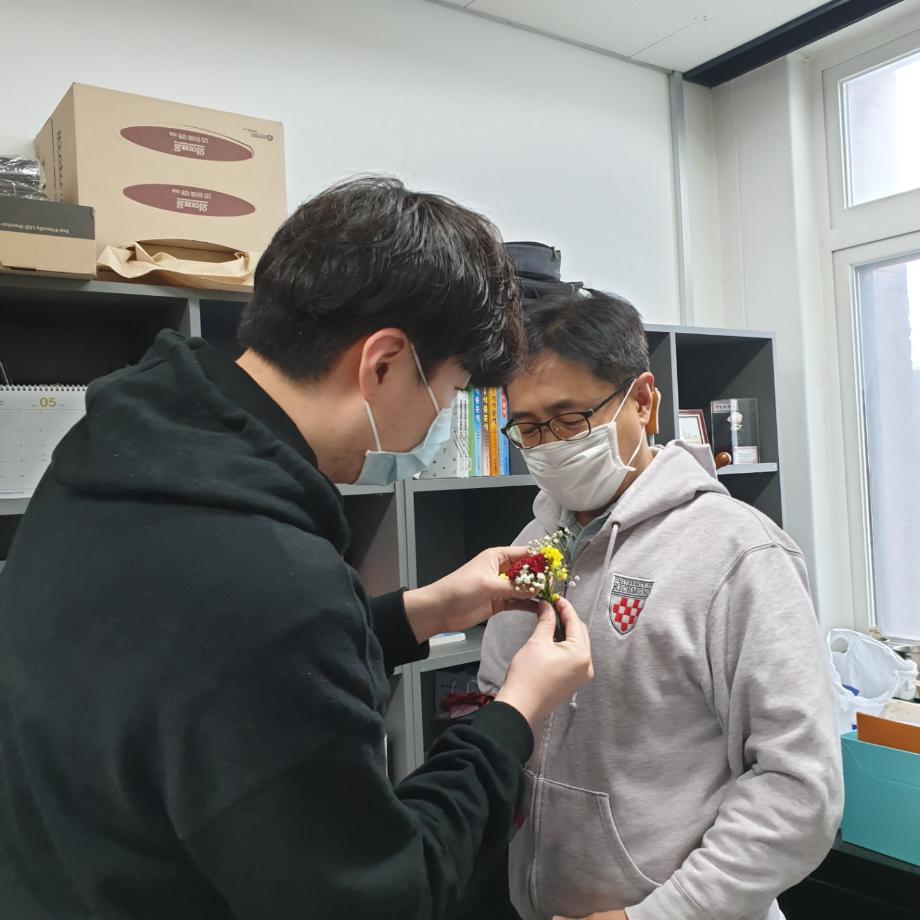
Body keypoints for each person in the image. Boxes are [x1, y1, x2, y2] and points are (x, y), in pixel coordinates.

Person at [0, 177, 594, 920]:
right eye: (448, 394)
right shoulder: (272, 580)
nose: (439, 422)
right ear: (383, 363)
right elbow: (386, 894)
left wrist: (425, 611)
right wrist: (514, 714)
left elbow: (207, 661)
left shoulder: (116, 454)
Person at [479, 289, 844, 920]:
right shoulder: (531, 546)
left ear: (643, 401)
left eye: (570, 419)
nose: (550, 445)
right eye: (530, 428)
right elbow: (499, 707)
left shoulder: (738, 552)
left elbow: (800, 786)